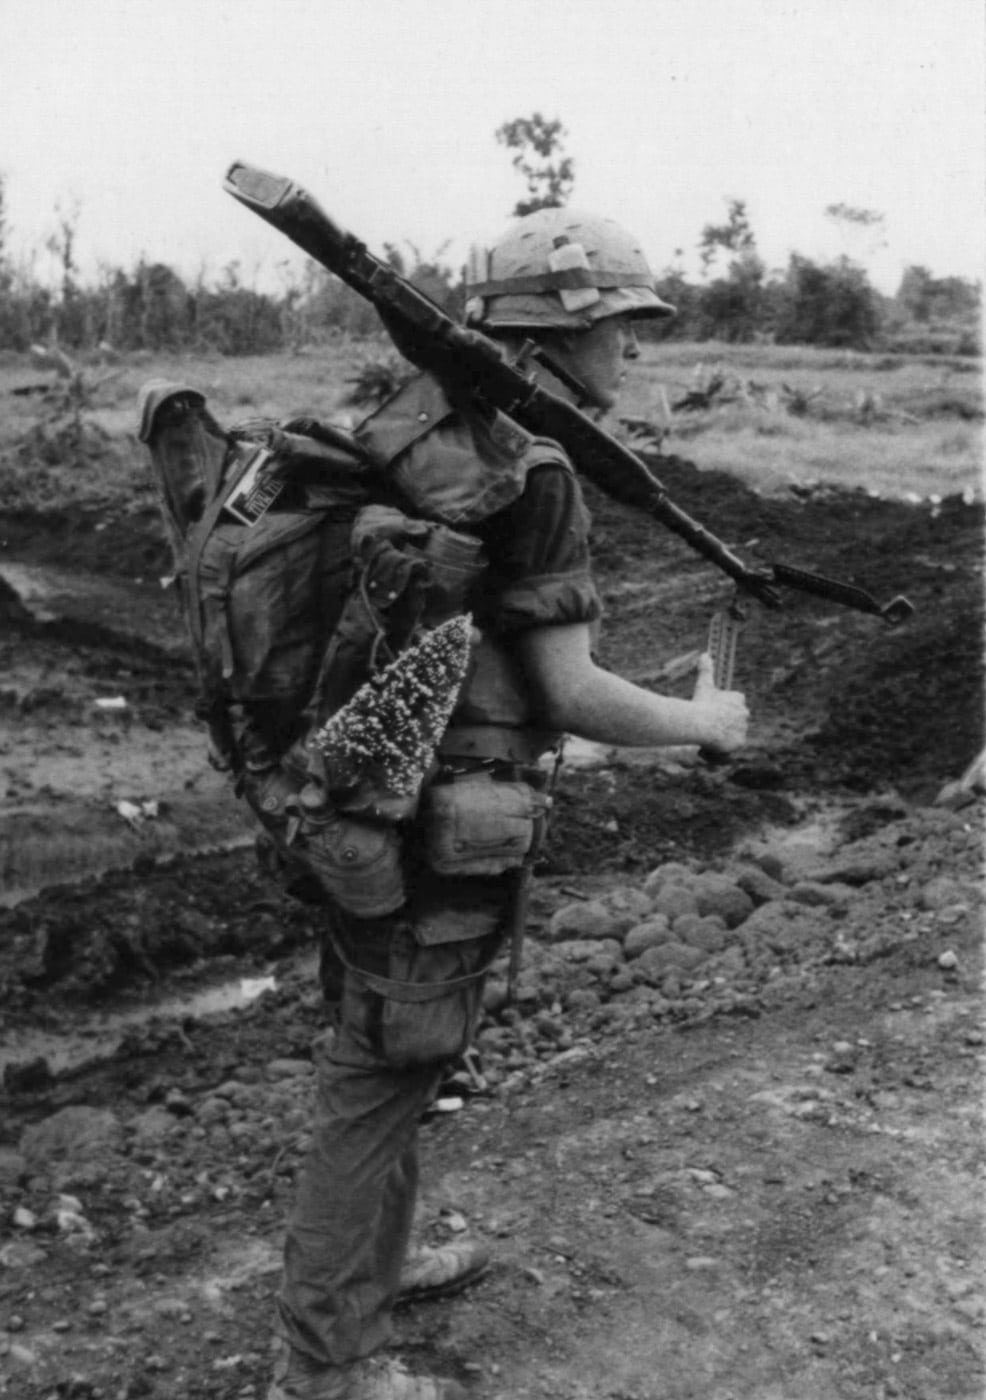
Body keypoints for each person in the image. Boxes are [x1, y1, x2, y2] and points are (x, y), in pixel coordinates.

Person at [268, 208, 749, 1400]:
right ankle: (322, 1368)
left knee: (388, 1045)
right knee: (379, 1074)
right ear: (559, 333)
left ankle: (373, 1273)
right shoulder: (530, 470)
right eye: (620, 329)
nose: (630, 353)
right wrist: (700, 722)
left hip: (352, 795)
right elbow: (567, 685)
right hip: (431, 821)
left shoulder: (404, 416)